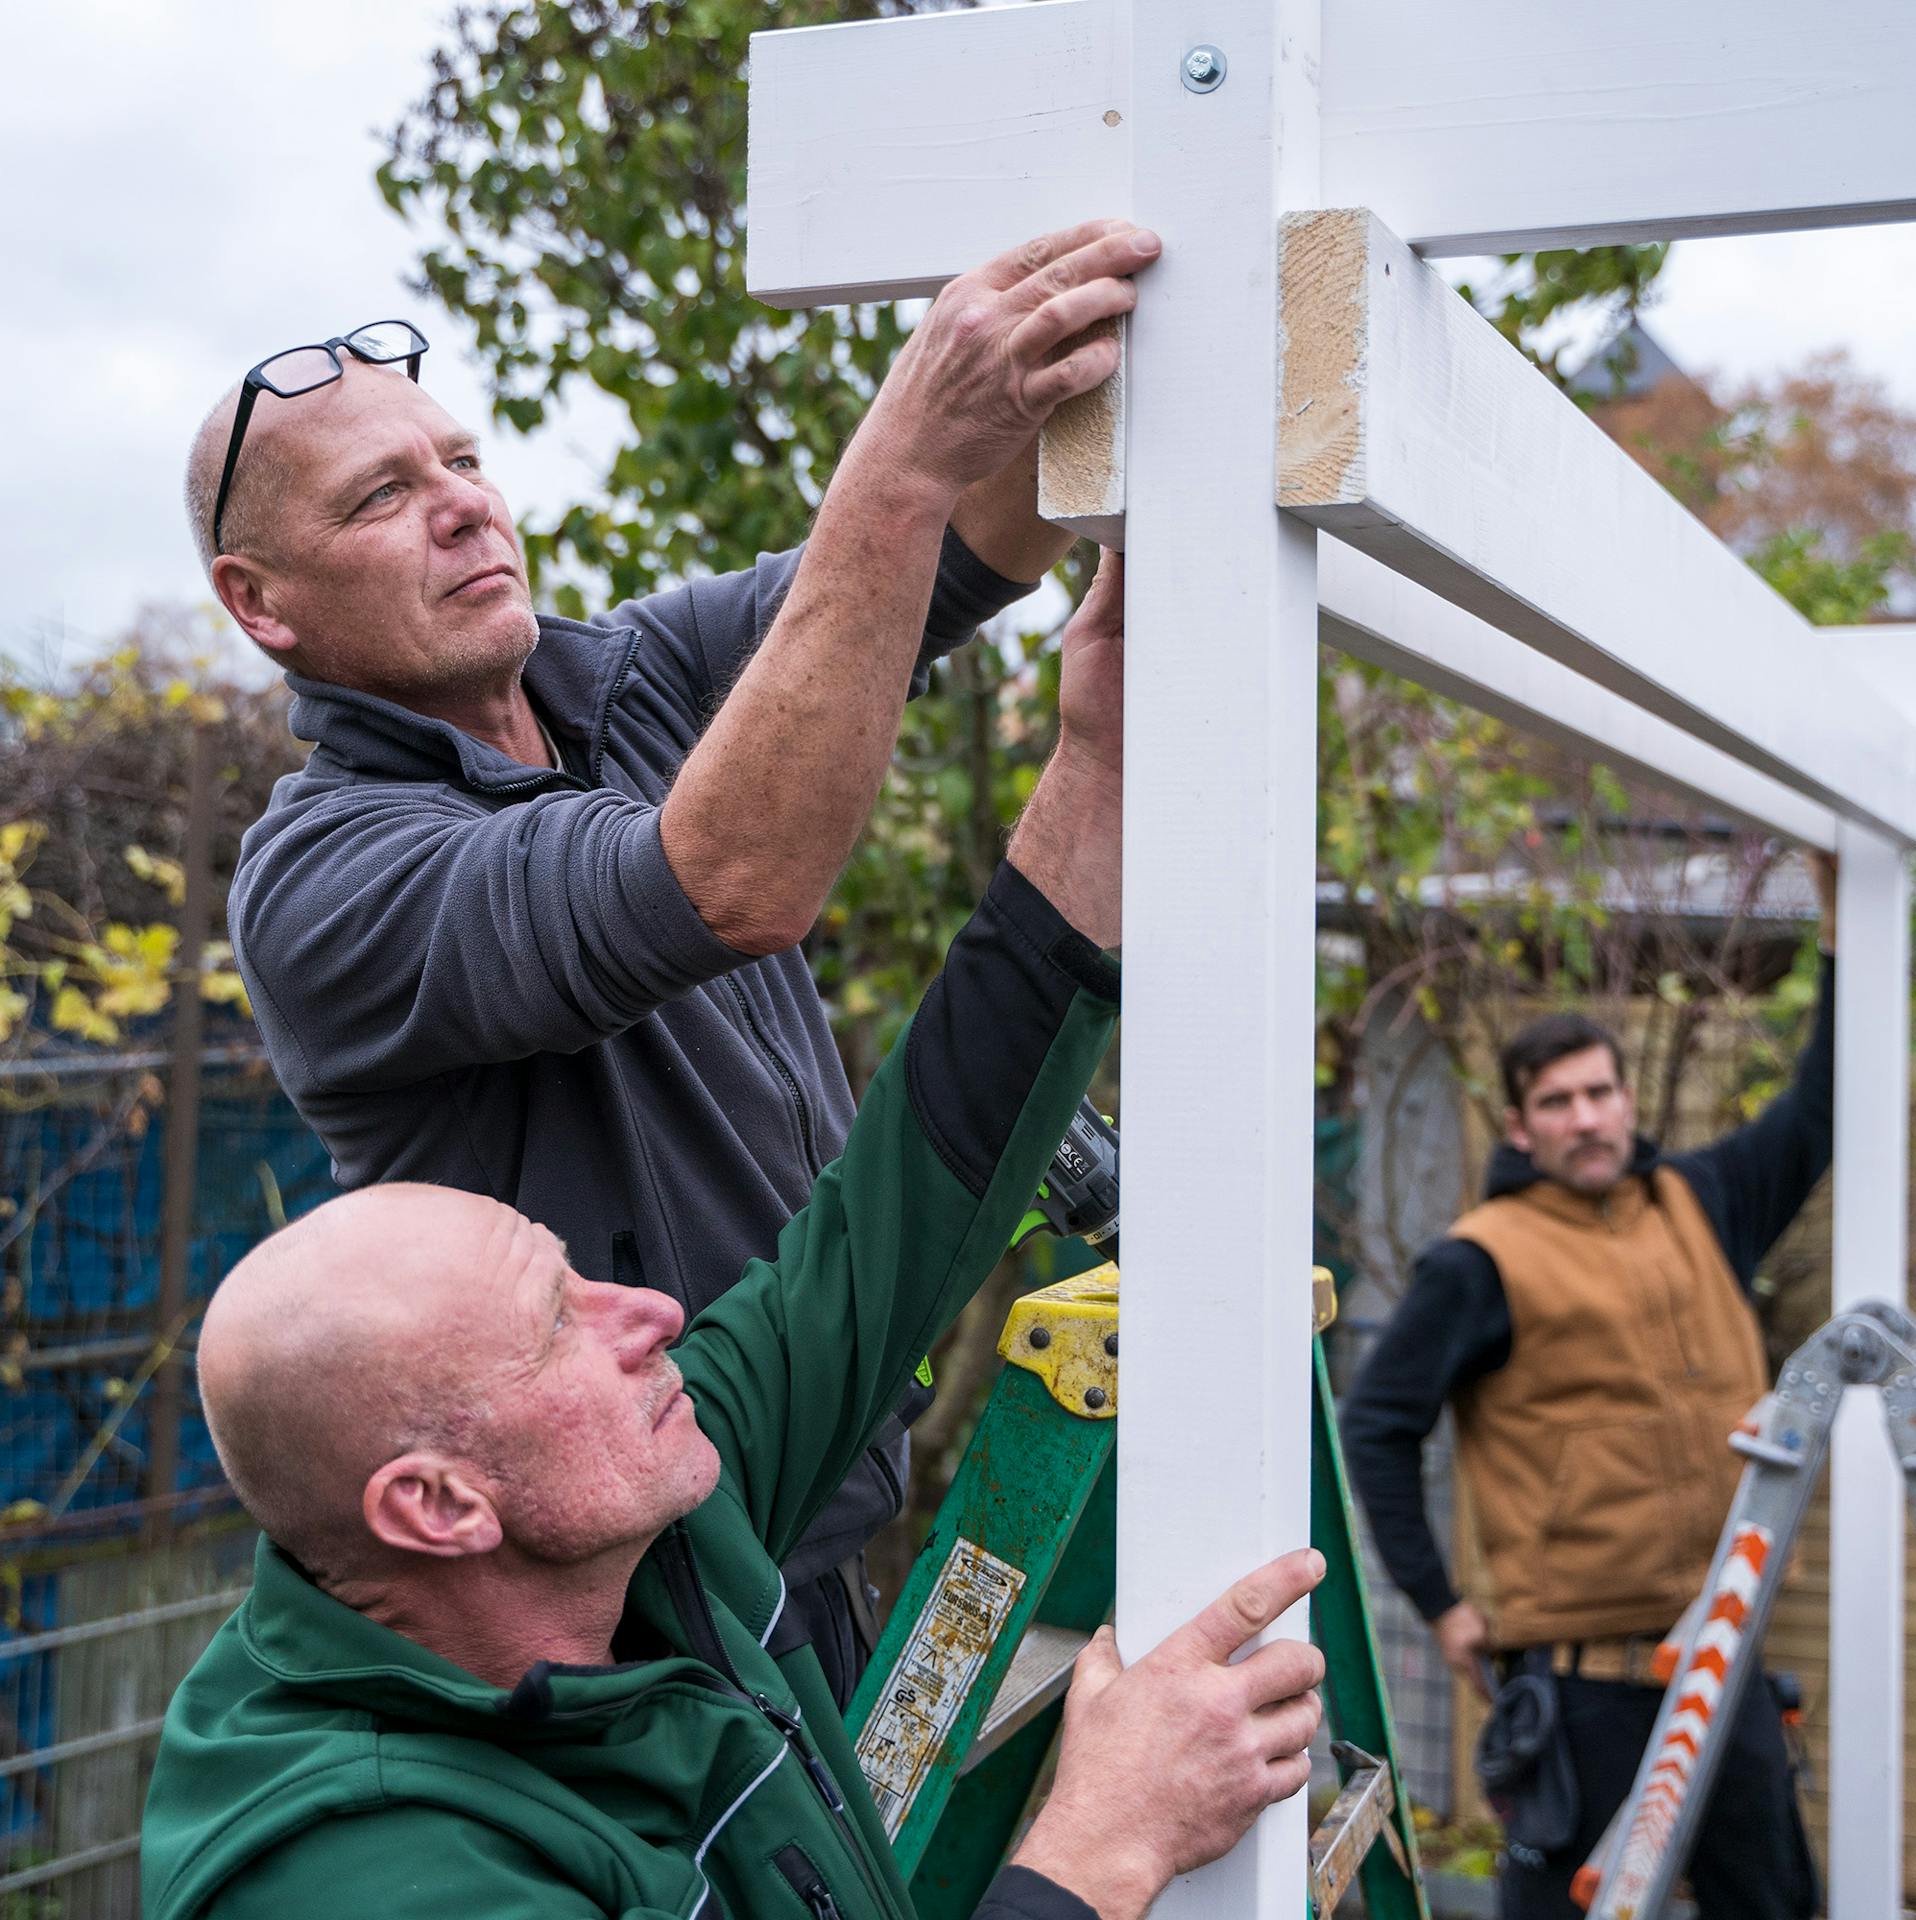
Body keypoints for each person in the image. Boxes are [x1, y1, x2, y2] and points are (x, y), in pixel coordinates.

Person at [141, 578, 1328, 1919]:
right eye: (557, 1325)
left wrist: (1101, 759)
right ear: (439, 1506)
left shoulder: (651, 1526)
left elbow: (898, 1211)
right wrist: (1096, 1849)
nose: (646, 1309)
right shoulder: (372, 1874)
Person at [182, 218, 1161, 1704]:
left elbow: (959, 549)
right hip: (606, 1592)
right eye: (382, 495)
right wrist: (894, 452)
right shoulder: (329, 876)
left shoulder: (631, 680)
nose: (459, 509)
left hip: (810, 1513)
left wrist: (1092, 351)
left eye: (460, 462)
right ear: (264, 603)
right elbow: (727, 881)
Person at [1341, 855, 1836, 1920]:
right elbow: (1377, 1424)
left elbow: (1816, 1113)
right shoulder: (1482, 1259)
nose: (1586, 1117)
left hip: (1723, 1661)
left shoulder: (1702, 1201)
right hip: (1580, 1688)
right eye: (1556, 1103)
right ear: (1521, 1128)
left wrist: (1841, 929)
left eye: (1599, 1092)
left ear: (1625, 1097)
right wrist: (1440, 1605)